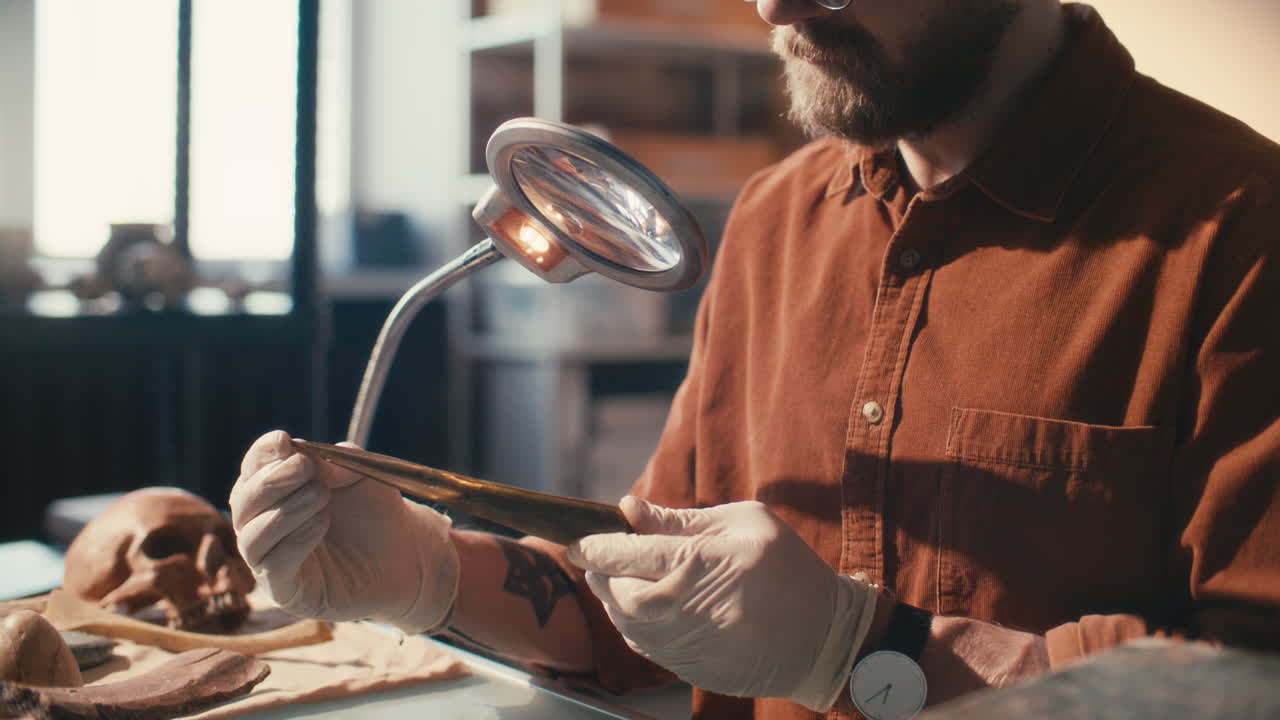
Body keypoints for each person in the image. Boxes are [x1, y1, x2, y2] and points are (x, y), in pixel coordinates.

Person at [229, 1, 1280, 718]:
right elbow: (650, 611)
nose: (771, 6)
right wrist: (426, 571)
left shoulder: (1240, 231)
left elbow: (1247, 688)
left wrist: (865, 651)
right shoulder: (777, 218)